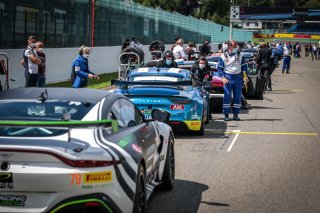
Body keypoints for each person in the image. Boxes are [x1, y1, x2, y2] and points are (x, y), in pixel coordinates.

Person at [217, 40, 248, 121]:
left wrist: (245, 77)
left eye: (236, 46)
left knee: (237, 97)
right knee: (227, 96)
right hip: (228, 78)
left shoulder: (240, 55)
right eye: (234, 46)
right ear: (229, 47)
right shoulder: (223, 56)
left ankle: (236, 114)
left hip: (238, 78)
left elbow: (244, 68)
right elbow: (219, 68)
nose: (236, 48)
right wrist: (223, 78)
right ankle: (226, 115)